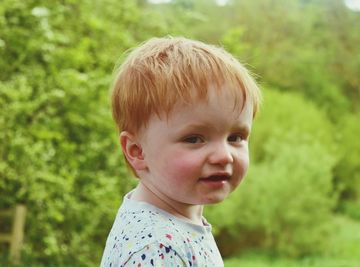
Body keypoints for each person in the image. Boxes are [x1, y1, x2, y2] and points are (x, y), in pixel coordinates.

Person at [100, 36, 261, 267]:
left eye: (235, 137)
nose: (224, 155)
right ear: (137, 151)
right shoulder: (158, 249)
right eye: (194, 139)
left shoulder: (174, 223)